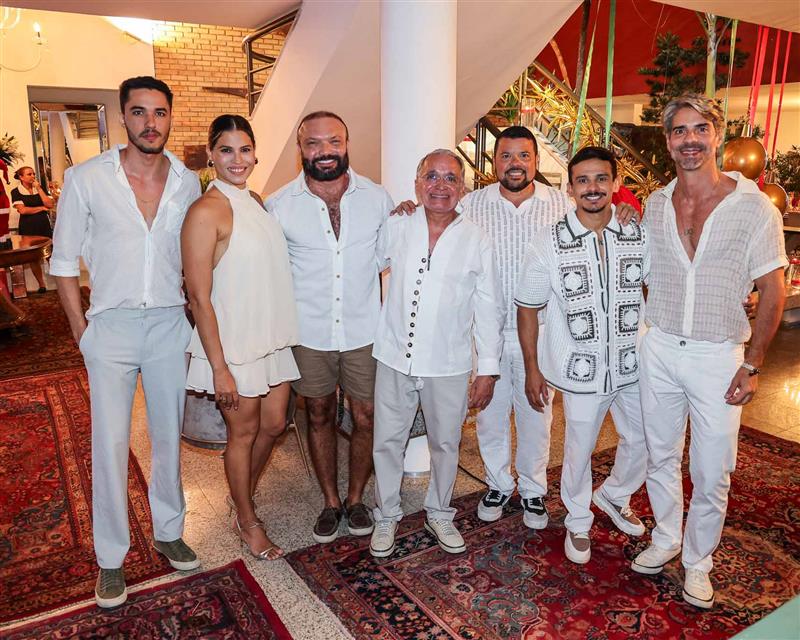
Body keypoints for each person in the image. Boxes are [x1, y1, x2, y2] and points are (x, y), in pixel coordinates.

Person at [631, 94, 787, 609]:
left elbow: (773, 288)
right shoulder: (656, 204)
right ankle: (666, 538)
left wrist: (753, 362)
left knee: (712, 468)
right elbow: (643, 270)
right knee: (659, 454)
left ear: (717, 136)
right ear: (667, 141)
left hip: (719, 354)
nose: (690, 140)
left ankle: (699, 561)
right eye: (679, 131)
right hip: (659, 347)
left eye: (700, 129)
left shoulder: (753, 207)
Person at [51, 76, 201, 608]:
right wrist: (82, 332)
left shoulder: (187, 182)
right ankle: (111, 558)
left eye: (159, 113)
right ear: (123, 117)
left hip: (168, 324)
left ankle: (169, 530)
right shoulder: (86, 178)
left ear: (170, 117)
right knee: (111, 443)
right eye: (139, 112)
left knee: (168, 436)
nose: (150, 123)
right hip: (109, 328)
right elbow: (63, 262)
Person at [265, 112, 394, 544]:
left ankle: (356, 500)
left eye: (334, 141)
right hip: (310, 334)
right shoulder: (279, 206)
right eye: (314, 143)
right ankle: (330, 501)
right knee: (317, 414)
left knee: (367, 416)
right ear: (300, 149)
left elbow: (396, 252)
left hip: (364, 331)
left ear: (347, 143)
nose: (325, 152)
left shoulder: (377, 199)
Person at [369, 149, 504, 558]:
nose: (440, 186)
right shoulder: (398, 225)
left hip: (448, 363)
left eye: (450, 178)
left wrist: (488, 369)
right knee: (387, 442)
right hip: (394, 356)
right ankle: (386, 514)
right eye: (431, 176)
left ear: (462, 188)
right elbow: (367, 265)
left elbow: (488, 308)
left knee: (446, 443)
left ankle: (440, 512)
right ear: (417, 184)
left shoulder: (477, 239)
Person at [516, 146, 648, 564]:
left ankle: (614, 495)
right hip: (581, 369)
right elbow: (527, 307)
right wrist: (532, 368)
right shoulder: (550, 240)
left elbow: (657, 283)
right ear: (570, 188)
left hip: (632, 363)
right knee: (579, 449)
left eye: (601, 179)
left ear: (615, 183)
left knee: (646, 438)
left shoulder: (636, 233)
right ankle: (577, 519)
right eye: (583, 180)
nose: (593, 188)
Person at [182, 114, 299, 560]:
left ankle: (241, 493)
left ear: (255, 154)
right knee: (243, 433)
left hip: (269, 338)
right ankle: (247, 520)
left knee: (275, 424)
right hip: (233, 345)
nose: (237, 159)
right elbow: (198, 296)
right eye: (226, 150)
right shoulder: (205, 211)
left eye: (245, 149)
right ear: (210, 155)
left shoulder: (255, 200)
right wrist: (220, 369)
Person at [459, 126, 571, 529]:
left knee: (536, 414)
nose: (515, 164)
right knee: (489, 414)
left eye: (523, 155)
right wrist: (406, 208)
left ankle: (534, 490)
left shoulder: (561, 205)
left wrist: (624, 211)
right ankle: (498, 484)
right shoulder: (471, 205)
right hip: (486, 333)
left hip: (540, 332)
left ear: (536, 161)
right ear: (494, 162)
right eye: (506, 156)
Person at [11, 165, 54, 292]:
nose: (33, 176)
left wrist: (39, 189)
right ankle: (41, 284)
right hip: (28, 226)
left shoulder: (39, 188)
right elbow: (23, 210)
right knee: (33, 257)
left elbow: (49, 204)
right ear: (21, 177)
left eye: (33, 174)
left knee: (51, 254)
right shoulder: (16, 191)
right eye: (29, 174)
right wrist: (41, 208)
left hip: (43, 224)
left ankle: (59, 280)